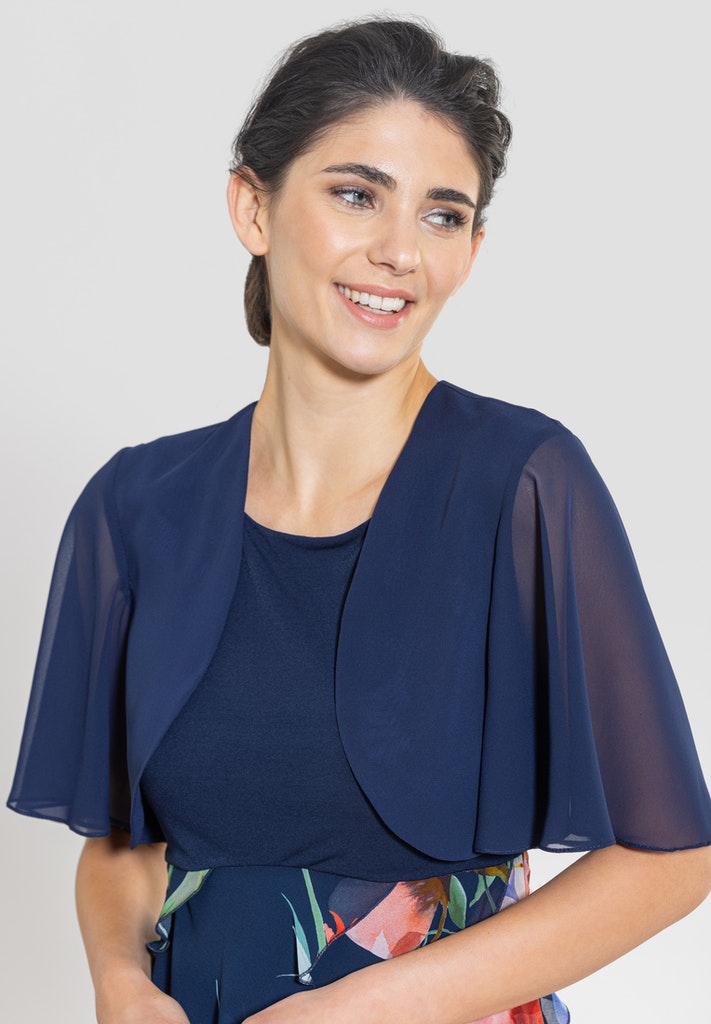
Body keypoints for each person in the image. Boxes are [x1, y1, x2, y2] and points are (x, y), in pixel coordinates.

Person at [7, 16, 711, 1024]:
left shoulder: (523, 482)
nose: (398, 251)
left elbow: (670, 858)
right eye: (356, 194)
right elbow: (126, 842)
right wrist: (119, 978)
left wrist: (361, 1010)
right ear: (253, 206)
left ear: (472, 250)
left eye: (442, 214)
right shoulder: (134, 509)